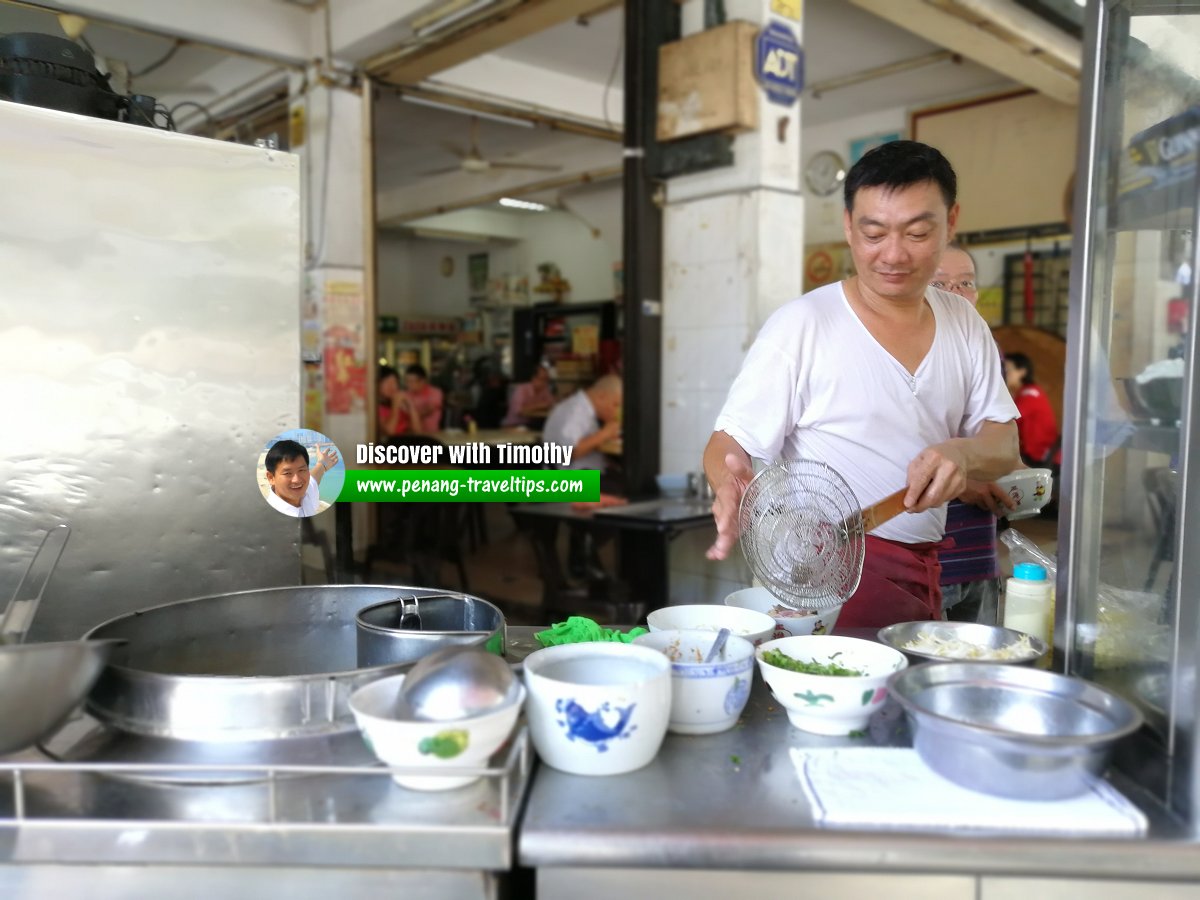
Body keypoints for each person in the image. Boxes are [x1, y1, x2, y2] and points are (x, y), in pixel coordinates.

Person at [703, 141, 1021, 629]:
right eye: (874, 233)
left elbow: (1004, 444)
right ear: (849, 225)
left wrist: (963, 455)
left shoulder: (965, 324)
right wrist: (728, 483)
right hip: (824, 572)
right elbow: (728, 441)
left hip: (926, 562)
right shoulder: (803, 325)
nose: (893, 255)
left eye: (917, 232)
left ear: (951, 221)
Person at [930, 245, 1017, 624]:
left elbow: (997, 431)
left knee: (978, 658)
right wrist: (962, 479)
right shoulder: (907, 351)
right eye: (941, 283)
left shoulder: (984, 346)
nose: (957, 293)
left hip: (979, 545)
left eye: (966, 282)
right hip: (930, 551)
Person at [542, 374, 624, 578]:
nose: (616, 412)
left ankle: (584, 547)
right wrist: (605, 433)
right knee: (624, 494)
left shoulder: (583, 408)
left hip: (577, 474)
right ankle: (585, 548)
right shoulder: (576, 411)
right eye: (615, 405)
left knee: (625, 484)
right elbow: (569, 452)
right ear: (602, 396)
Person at [1004, 352, 1061, 466]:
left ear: (1022, 372)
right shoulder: (1024, 393)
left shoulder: (1030, 394)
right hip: (1035, 455)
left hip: (1042, 456)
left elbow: (1009, 419)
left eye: (1008, 370)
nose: (1004, 374)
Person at [264, 439, 338, 518]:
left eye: (301, 470)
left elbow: (314, 477)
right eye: (287, 473)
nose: (297, 480)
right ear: (271, 478)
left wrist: (322, 464)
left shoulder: (306, 493)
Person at [378, 364, 444, 436]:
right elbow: (390, 432)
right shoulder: (375, 408)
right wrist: (396, 405)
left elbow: (418, 430)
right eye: (387, 382)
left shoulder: (435, 392)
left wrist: (410, 403)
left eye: (395, 382)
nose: (393, 386)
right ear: (376, 384)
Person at [503, 361, 555, 427]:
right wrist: (539, 406)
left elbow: (551, 404)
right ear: (534, 378)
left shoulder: (544, 390)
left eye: (547, 380)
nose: (545, 383)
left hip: (532, 424)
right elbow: (518, 410)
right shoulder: (522, 389)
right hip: (515, 425)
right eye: (542, 379)